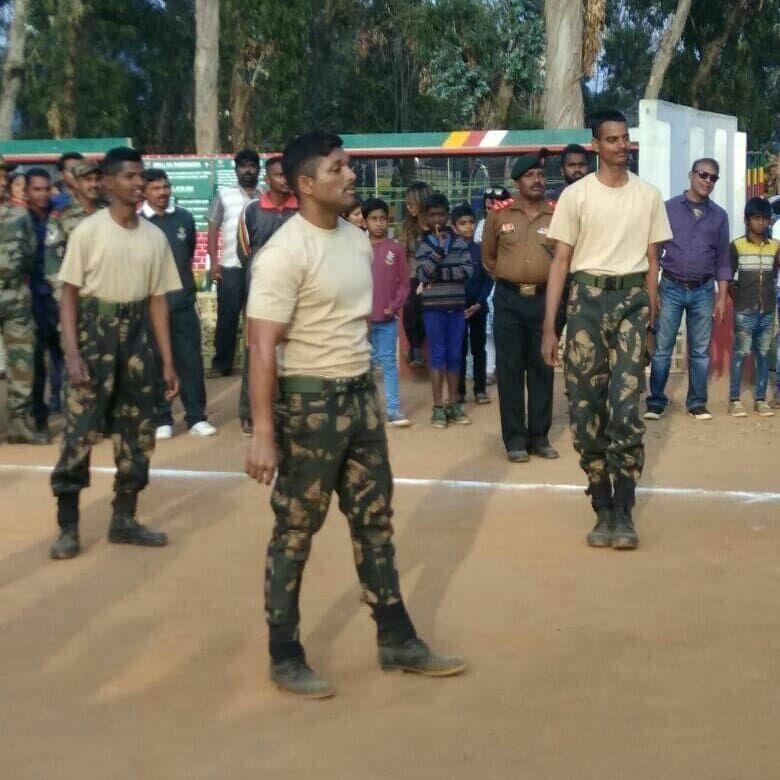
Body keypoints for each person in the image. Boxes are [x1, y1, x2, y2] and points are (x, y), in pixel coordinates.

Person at [245, 131, 465, 698]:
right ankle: (284, 650)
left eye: (348, 165)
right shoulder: (283, 253)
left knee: (375, 522)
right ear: (305, 184)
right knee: (296, 528)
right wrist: (264, 432)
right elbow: (262, 347)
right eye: (338, 168)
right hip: (309, 404)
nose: (350, 175)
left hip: (360, 398)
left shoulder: (355, 240)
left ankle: (396, 638)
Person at [541, 110, 673, 551]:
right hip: (585, 304)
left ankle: (624, 508)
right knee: (584, 408)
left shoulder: (648, 196)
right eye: (612, 140)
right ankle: (601, 504)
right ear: (595, 144)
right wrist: (549, 328)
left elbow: (654, 263)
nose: (621, 146)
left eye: (625, 139)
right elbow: (560, 262)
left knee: (625, 408)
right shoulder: (576, 197)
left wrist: (651, 323)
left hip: (633, 302)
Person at [49, 147, 182, 561]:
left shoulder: (155, 237)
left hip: (138, 336)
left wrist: (167, 361)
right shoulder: (88, 232)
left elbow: (158, 301)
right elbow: (68, 295)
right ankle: (68, 527)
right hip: (95, 333)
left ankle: (124, 518)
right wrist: (72, 353)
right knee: (79, 432)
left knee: (137, 434)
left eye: (140, 175)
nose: (137, 183)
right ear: (106, 183)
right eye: (128, 176)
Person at [483, 153, 558, 463]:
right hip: (509, 301)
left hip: (544, 300)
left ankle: (539, 436)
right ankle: (515, 439)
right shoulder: (499, 216)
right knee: (511, 369)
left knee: (542, 368)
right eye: (530, 175)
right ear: (517, 182)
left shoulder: (556, 215)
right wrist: (511, 277)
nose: (537, 180)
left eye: (540, 175)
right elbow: (488, 257)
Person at [645, 158, 731, 421]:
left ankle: (696, 403)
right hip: (670, 286)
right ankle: (656, 402)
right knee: (662, 348)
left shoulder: (719, 216)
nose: (707, 181)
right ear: (691, 174)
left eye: (713, 178)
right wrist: (654, 294)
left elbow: (723, 260)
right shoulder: (669, 208)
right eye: (703, 175)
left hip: (704, 290)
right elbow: (654, 254)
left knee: (700, 351)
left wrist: (722, 298)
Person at [141, 169, 216, 439]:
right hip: (150, 307)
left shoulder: (184, 218)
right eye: (156, 188)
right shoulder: (139, 222)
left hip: (182, 303)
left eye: (165, 187)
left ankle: (196, 416)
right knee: (157, 362)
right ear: (144, 192)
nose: (163, 192)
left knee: (190, 361)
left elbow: (189, 251)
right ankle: (163, 417)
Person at [236, 156, 298, 435]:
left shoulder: (302, 210)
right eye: (278, 175)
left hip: (296, 293)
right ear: (267, 178)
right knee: (257, 352)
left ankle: (286, 409)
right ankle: (250, 413)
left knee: (292, 351)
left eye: (288, 175)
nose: (284, 180)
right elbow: (244, 251)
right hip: (260, 295)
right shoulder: (252, 211)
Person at [0, 154, 47, 445]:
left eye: (4, 175)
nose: (3, 181)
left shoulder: (19, 216)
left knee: (23, 360)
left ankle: (19, 423)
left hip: (15, 294)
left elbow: (30, 253)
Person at [416, 192, 474, 428]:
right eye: (432, 215)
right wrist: (439, 252)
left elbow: (468, 271)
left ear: (447, 216)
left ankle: (453, 403)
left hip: (457, 307)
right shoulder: (423, 245)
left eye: (441, 214)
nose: (437, 219)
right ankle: (438, 407)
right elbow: (421, 274)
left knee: (454, 355)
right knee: (437, 355)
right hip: (433, 308)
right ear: (425, 219)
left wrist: (437, 274)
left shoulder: (459, 242)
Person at [207, 148, 261, 377]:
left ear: (258, 169)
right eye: (243, 166)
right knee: (227, 318)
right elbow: (212, 227)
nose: (248, 170)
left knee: (259, 317)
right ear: (237, 170)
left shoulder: (266, 196)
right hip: (230, 267)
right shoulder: (224, 195)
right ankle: (221, 365)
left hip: (260, 269)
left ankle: (258, 364)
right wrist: (214, 263)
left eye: (252, 166)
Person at [727, 197, 779, 417]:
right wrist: (738, 298)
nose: (761, 222)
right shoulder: (737, 245)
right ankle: (735, 400)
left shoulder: (775, 247)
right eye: (757, 218)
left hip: (767, 310)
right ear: (747, 220)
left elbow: (775, 273)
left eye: (765, 218)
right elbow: (728, 277)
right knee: (740, 354)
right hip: (744, 311)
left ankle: (760, 400)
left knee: (763, 355)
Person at [364, 196, 411, 426]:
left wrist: (395, 305)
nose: (379, 223)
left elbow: (404, 283)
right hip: (362, 320)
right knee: (367, 365)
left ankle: (393, 409)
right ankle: (368, 410)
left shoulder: (396, 250)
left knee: (389, 364)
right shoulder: (358, 248)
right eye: (374, 219)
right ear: (365, 222)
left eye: (383, 219)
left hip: (388, 317)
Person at [25, 168, 64, 430]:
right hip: (32, 301)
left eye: (46, 188)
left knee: (67, 356)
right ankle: (39, 419)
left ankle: (71, 413)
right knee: (36, 360)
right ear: (27, 192)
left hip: (62, 298)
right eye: (36, 189)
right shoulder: (18, 220)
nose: (42, 194)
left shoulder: (61, 216)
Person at [451, 202, 492, 404]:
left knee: (478, 349)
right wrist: (459, 305)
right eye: (462, 223)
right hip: (457, 309)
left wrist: (478, 303)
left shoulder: (481, 250)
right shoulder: (450, 252)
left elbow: (488, 279)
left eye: (471, 222)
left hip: (478, 307)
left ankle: (480, 389)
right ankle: (459, 391)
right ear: (454, 227)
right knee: (459, 350)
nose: (468, 226)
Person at [44, 159, 103, 295]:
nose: (94, 184)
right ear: (76, 183)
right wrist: (63, 299)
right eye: (88, 179)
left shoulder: (110, 211)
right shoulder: (60, 216)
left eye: (97, 179)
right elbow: (53, 263)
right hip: (77, 295)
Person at [401, 181, 433, 367]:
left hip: (435, 275)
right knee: (411, 303)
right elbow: (403, 253)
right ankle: (415, 347)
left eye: (412, 203)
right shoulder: (408, 226)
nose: (408, 207)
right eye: (407, 203)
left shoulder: (436, 223)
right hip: (414, 275)